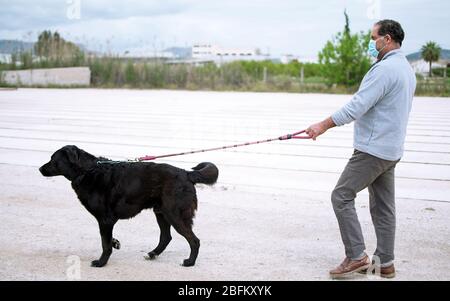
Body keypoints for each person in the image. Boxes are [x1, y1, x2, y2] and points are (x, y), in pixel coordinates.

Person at [305, 19, 416, 279]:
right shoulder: (405, 68)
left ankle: (356, 257)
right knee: (383, 207)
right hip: (392, 150)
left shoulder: (384, 70)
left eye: (372, 37)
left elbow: (356, 106)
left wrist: (322, 125)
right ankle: (385, 262)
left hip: (372, 151)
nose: (370, 42)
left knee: (341, 196)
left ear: (386, 39)